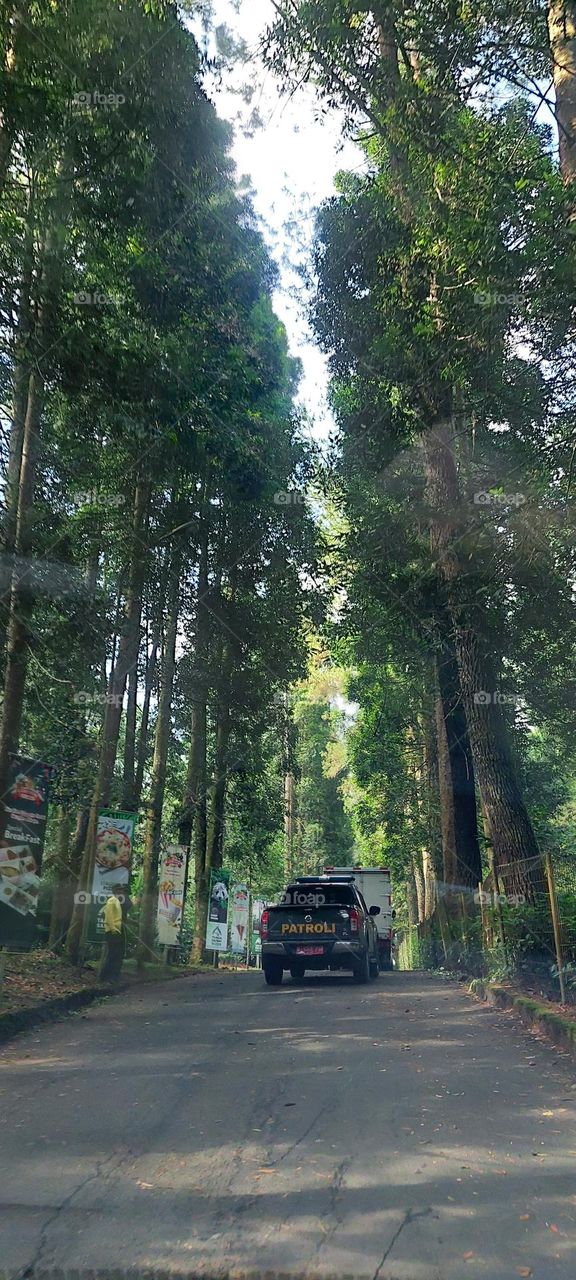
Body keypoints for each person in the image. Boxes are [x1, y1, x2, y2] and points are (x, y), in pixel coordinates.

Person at [99, 887, 124, 982]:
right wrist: (113, 929)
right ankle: (105, 976)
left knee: (115, 954)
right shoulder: (112, 901)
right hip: (112, 931)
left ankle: (110, 976)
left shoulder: (116, 901)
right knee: (112, 955)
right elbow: (108, 916)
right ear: (116, 891)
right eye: (120, 891)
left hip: (116, 930)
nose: (121, 893)